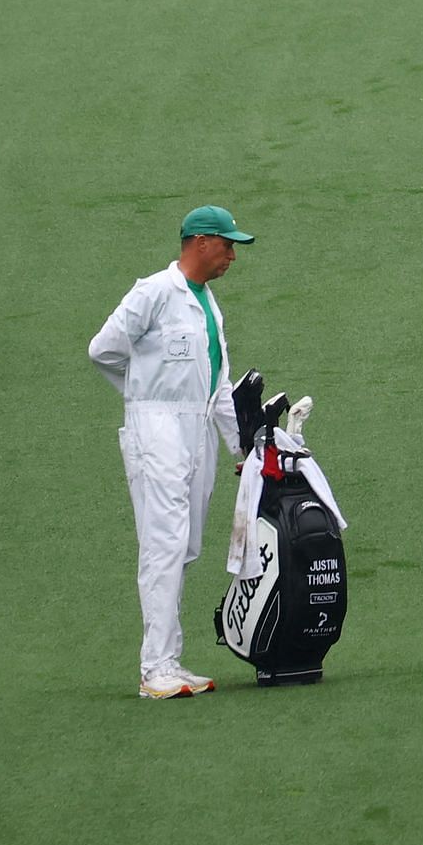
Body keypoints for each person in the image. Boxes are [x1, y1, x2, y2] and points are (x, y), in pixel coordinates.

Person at [86, 204, 257, 699]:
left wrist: (240, 450)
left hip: (197, 430)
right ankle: (153, 668)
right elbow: (103, 350)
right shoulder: (154, 292)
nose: (231, 256)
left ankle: (169, 660)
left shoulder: (208, 304)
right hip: (156, 429)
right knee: (163, 543)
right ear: (200, 241)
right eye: (227, 245)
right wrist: (142, 397)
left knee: (186, 545)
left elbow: (219, 383)